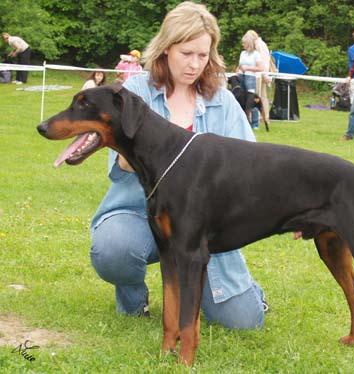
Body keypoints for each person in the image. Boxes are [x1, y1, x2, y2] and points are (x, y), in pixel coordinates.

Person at [90, 1, 267, 329]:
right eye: (187, 53)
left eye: (203, 55)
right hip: (138, 214)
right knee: (115, 249)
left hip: (205, 228)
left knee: (245, 322)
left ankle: (247, 292)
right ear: (166, 48)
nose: (195, 64)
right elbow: (119, 166)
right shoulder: (135, 91)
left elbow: (251, 168)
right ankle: (133, 301)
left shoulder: (223, 101)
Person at [237, 30, 265, 129]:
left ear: (248, 43)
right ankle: (243, 122)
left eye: (244, 43)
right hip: (241, 77)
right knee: (241, 100)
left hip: (250, 78)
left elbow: (261, 68)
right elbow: (239, 65)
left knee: (251, 101)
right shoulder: (242, 53)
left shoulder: (256, 54)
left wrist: (247, 68)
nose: (242, 44)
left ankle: (255, 124)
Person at [251, 30, 272, 122]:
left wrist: (264, 74)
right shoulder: (262, 44)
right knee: (263, 96)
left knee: (259, 96)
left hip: (260, 74)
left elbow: (262, 61)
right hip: (264, 72)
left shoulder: (259, 45)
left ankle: (260, 116)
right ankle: (265, 116)